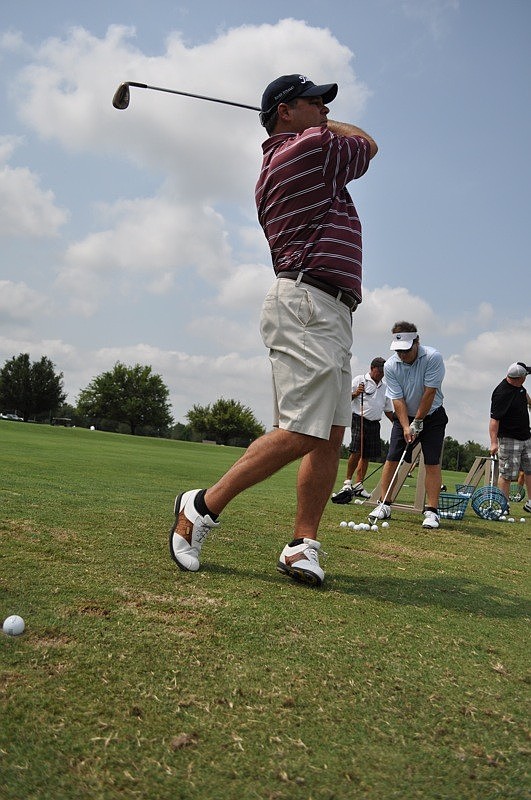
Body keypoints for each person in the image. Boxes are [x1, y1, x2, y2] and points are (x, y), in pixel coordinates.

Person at [169, 74, 378, 587]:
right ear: (285, 112)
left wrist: (311, 117)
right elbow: (368, 144)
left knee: (329, 435)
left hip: (327, 308)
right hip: (308, 302)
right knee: (305, 429)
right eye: (315, 102)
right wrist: (328, 125)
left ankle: (300, 544)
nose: (326, 111)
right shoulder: (308, 150)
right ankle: (201, 506)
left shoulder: (297, 150)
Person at [369, 322, 448, 529]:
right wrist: (406, 426)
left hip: (432, 416)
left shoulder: (433, 357)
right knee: (393, 458)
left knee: (431, 461)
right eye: (398, 351)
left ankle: (431, 511)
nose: (402, 355)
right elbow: (397, 399)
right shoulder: (390, 365)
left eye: (406, 350)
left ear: (417, 342)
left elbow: (429, 392)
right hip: (404, 416)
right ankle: (384, 504)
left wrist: (418, 422)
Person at [331, 357, 394, 504]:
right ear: (372, 368)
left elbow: (388, 410)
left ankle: (359, 484)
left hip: (374, 423)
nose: (381, 375)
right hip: (359, 418)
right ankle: (347, 482)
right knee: (356, 451)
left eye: (383, 372)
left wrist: (398, 424)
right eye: (379, 371)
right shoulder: (360, 380)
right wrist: (356, 393)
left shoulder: (385, 387)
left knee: (367, 455)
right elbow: (344, 398)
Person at [489, 362, 531, 513]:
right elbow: (494, 420)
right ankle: (503, 505)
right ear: (520, 378)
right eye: (526, 375)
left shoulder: (519, 387)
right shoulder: (501, 393)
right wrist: (494, 442)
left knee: (529, 470)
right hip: (508, 438)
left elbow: (526, 398)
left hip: (526, 436)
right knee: (506, 473)